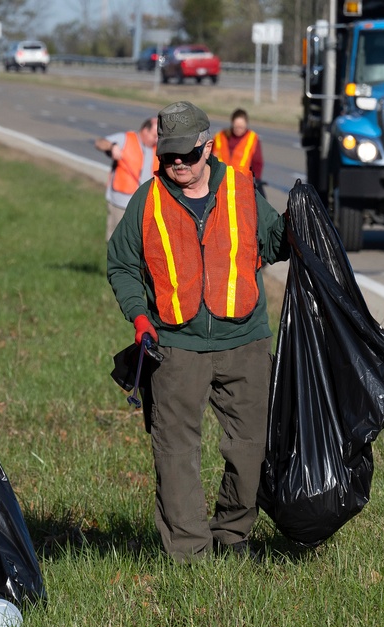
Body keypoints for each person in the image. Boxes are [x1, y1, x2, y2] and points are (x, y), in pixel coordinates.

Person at [107, 101, 289, 562]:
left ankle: (231, 537)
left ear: (208, 147)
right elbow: (122, 264)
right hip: (175, 344)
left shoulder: (243, 189)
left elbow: (276, 243)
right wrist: (140, 318)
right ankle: (189, 554)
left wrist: (302, 223)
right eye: (169, 156)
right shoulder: (147, 199)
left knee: (252, 448)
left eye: (187, 155)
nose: (178, 165)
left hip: (245, 340)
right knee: (175, 453)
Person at [94, 117, 159, 241]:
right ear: (145, 130)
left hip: (145, 205)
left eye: (158, 137)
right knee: (118, 240)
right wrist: (112, 147)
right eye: (154, 135)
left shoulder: (157, 148)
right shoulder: (125, 139)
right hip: (121, 203)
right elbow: (99, 142)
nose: (156, 140)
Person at [211, 108, 265, 196]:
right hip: (220, 183)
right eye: (236, 127)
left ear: (246, 125)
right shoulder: (219, 137)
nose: (239, 129)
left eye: (241, 127)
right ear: (232, 124)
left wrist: (256, 181)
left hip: (242, 185)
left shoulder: (252, 138)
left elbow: (257, 162)